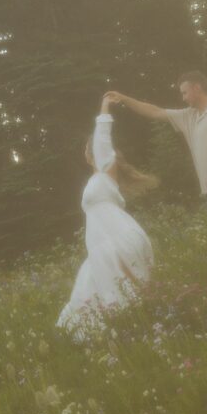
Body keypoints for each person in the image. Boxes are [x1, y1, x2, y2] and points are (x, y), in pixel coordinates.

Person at [107, 71, 207, 267]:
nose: (183, 97)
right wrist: (123, 98)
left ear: (197, 88)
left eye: (184, 92)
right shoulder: (190, 116)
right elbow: (154, 111)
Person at [56, 94, 159, 341]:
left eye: (88, 148)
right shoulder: (99, 178)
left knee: (122, 291)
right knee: (91, 287)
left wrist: (104, 106)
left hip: (114, 238)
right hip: (101, 243)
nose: (86, 151)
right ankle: (97, 338)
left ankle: (138, 331)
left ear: (93, 152)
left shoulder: (105, 170)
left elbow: (102, 137)